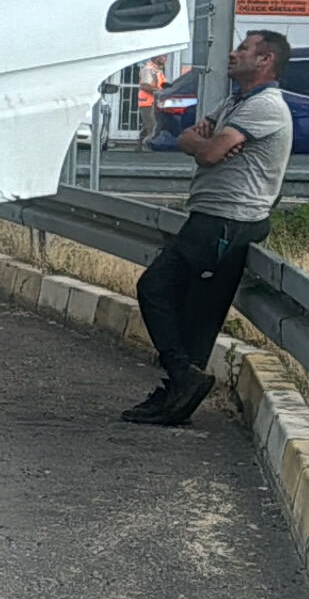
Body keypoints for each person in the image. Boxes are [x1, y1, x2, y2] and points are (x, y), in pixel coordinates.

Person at [125, 30, 293, 426]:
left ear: (265, 60)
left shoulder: (265, 106)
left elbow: (211, 153)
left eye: (244, 49)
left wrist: (208, 145)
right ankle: (178, 394)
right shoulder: (235, 101)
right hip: (213, 216)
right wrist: (203, 143)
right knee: (194, 311)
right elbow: (188, 137)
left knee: (155, 288)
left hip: (230, 220)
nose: (233, 54)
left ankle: (183, 378)